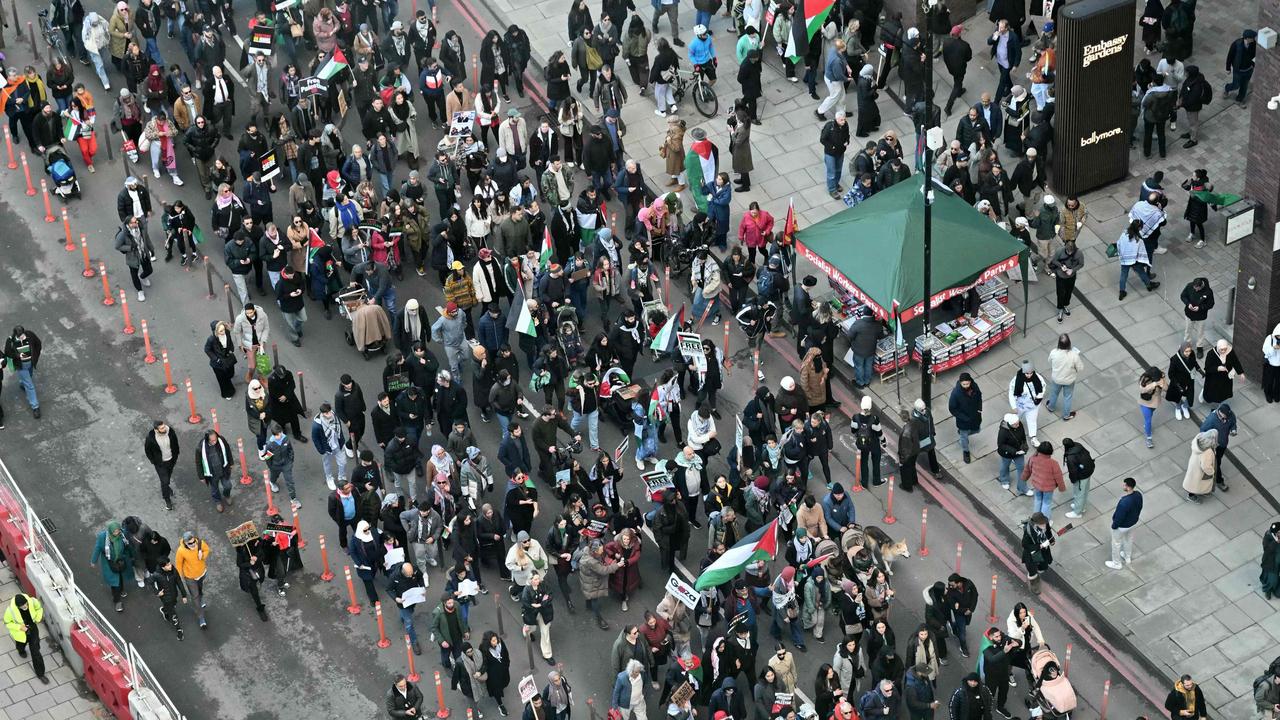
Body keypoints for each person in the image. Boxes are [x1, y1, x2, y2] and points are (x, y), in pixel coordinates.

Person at [4, 592, 49, 684]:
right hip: (21, 633)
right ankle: (21, 650)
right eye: (21, 606)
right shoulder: (10, 611)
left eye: (25, 604)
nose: (24, 607)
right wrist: (19, 627)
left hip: (32, 630)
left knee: (36, 652)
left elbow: (39, 608)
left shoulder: (32, 601)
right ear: (17, 606)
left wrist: (38, 618)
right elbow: (7, 623)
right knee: (21, 645)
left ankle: (40, 674)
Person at [90, 521, 134, 612]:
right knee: (115, 584)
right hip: (109, 562)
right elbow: (97, 548)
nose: (116, 533)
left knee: (121, 577)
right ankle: (117, 601)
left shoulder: (123, 534)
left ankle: (121, 590)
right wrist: (93, 561)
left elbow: (128, 546)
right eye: (114, 531)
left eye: (118, 530)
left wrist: (132, 555)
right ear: (110, 531)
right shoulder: (102, 537)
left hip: (121, 560)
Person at [174, 531, 210, 629]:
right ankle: (201, 618)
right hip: (190, 577)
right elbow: (178, 564)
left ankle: (201, 599)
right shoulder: (181, 551)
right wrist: (179, 577)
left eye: (194, 542)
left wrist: (202, 555)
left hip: (201, 573)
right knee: (195, 596)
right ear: (185, 543)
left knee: (200, 590)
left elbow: (207, 549)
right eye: (190, 543)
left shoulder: (199, 543)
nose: (193, 544)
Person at [1117, 219, 1159, 300]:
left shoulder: (1124, 233)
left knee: (1123, 275)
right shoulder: (1138, 240)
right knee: (1141, 272)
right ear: (1139, 228)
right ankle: (1149, 285)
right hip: (1135, 260)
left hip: (1125, 259)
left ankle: (1122, 291)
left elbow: (1119, 243)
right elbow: (1142, 252)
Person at [193, 428, 234, 513]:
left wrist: (231, 462)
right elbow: (198, 463)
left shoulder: (221, 440)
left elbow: (228, 450)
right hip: (212, 474)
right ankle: (218, 501)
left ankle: (227, 495)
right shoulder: (200, 448)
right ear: (207, 439)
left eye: (215, 439)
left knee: (228, 486)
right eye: (212, 441)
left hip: (223, 469)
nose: (215, 442)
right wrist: (201, 477)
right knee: (214, 489)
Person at [143, 420, 180, 511]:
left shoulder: (170, 431)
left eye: (164, 426)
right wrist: (154, 461)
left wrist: (176, 454)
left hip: (171, 460)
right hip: (160, 463)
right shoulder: (151, 438)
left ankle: (167, 487)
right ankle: (167, 499)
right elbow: (148, 451)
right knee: (164, 481)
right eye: (162, 428)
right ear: (156, 430)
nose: (164, 428)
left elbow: (175, 443)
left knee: (168, 477)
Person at [1020, 441, 1064, 519]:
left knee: (1038, 500)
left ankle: (1036, 518)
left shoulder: (1033, 458)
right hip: (1048, 488)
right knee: (1046, 504)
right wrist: (1061, 487)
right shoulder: (1053, 463)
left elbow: (1027, 469)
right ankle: (1044, 520)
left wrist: (1024, 478)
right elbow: (1059, 477)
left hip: (1037, 485)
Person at [948, 373, 983, 464]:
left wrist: (979, 409)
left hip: (975, 416)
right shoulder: (956, 393)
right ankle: (966, 451)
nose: (966, 386)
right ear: (960, 383)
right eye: (964, 384)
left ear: (970, 382)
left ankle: (962, 434)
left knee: (977, 430)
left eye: (967, 384)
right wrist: (964, 418)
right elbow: (952, 408)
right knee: (964, 437)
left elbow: (979, 396)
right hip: (963, 419)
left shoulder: (974, 386)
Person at [1007, 360, 1044, 447]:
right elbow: (1011, 393)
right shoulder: (1016, 380)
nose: (1029, 375)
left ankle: (1033, 437)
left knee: (1032, 421)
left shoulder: (1038, 378)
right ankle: (1011, 434)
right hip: (1020, 405)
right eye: (1027, 373)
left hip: (1033, 405)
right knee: (1015, 419)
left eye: (1031, 373)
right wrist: (1013, 406)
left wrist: (1039, 397)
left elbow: (1042, 388)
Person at [1020, 512, 1054, 594]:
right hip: (1032, 553)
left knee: (1043, 565)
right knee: (1032, 570)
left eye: (1044, 523)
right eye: (1041, 524)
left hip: (1043, 551)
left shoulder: (1045, 524)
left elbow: (1048, 532)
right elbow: (1025, 545)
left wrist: (1051, 540)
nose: (1044, 525)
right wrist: (1041, 545)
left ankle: (1039, 570)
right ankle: (1034, 585)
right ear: (1036, 524)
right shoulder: (1029, 533)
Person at [1203, 338, 1245, 405]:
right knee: (1213, 392)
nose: (1223, 351)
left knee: (1223, 392)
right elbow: (1207, 368)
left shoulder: (1230, 351)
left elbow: (1235, 362)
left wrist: (1241, 373)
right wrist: (1218, 368)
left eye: (1225, 349)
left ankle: (1220, 403)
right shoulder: (1211, 354)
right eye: (1221, 349)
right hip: (1214, 378)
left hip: (1225, 377)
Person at [1180, 278, 1214, 356]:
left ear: (1201, 286)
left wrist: (1200, 308)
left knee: (1200, 332)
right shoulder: (1190, 286)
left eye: (1196, 288)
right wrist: (1188, 304)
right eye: (1194, 288)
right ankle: (1186, 345)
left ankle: (1199, 347)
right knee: (1188, 331)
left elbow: (1211, 304)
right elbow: (1183, 296)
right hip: (1189, 314)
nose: (1195, 290)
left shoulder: (1208, 292)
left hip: (1201, 316)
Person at [1224, 29, 1257, 104]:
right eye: (1252, 38)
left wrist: (1253, 65)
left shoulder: (1254, 44)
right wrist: (1228, 68)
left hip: (1249, 69)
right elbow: (1230, 56)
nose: (1254, 39)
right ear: (1247, 38)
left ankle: (1239, 99)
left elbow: (1255, 55)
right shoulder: (1236, 44)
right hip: (1238, 70)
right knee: (1236, 85)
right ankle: (1227, 88)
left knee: (1244, 86)